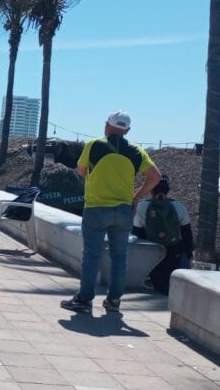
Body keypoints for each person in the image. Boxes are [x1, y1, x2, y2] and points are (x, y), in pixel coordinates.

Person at [61, 110, 161, 314]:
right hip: (123, 210)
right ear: (128, 130)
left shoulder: (94, 145)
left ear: (106, 126)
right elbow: (155, 177)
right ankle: (114, 300)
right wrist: (136, 197)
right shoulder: (136, 151)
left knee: (91, 256)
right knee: (119, 257)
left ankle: (84, 300)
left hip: (96, 208)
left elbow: (80, 171)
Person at [133, 176, 193, 294]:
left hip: (151, 252)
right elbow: (187, 234)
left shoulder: (142, 207)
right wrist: (189, 255)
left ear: (151, 190)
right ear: (168, 190)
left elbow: (136, 232)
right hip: (173, 252)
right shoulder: (179, 207)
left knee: (156, 282)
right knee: (168, 282)